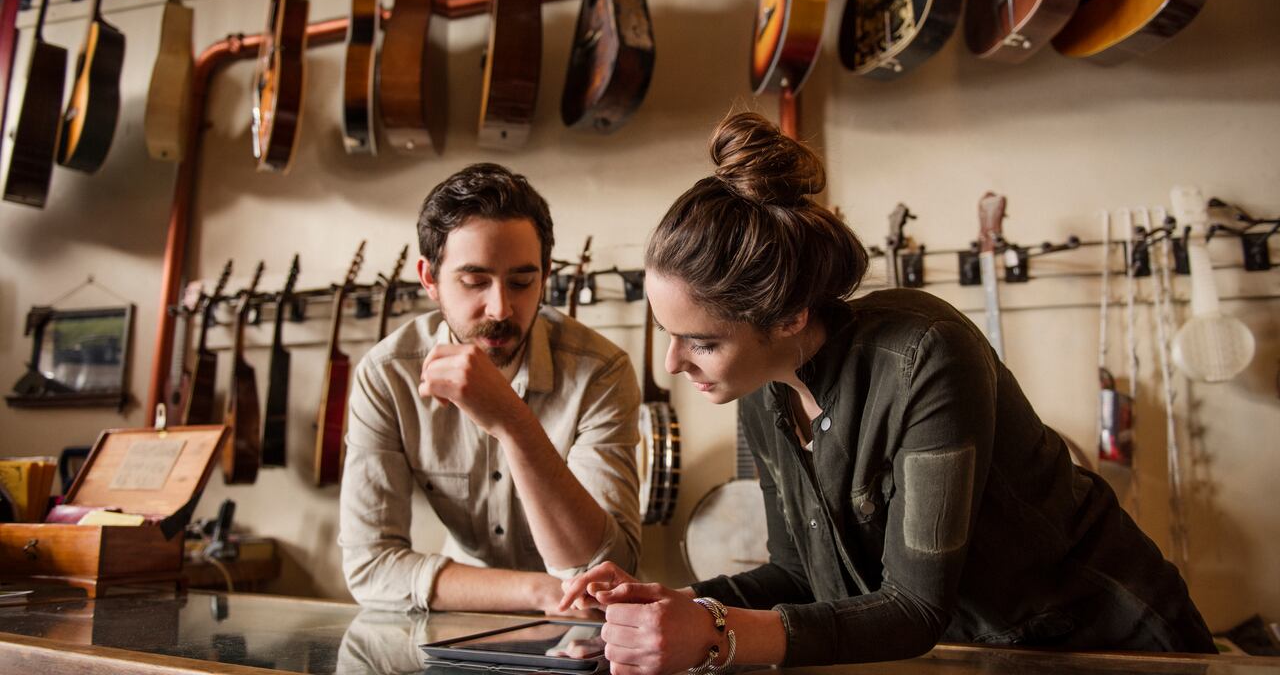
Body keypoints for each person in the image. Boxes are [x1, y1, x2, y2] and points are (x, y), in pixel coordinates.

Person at [559, 113, 1215, 672]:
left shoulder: (926, 355)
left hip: (1106, 645)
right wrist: (664, 605)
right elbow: (798, 577)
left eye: (701, 343)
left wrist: (713, 634)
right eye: (668, 334)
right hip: (978, 654)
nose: (673, 363)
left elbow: (915, 607)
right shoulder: (762, 389)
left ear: (787, 318)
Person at [340, 163, 641, 614]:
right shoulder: (386, 376)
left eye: (522, 282)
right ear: (429, 279)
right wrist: (538, 592)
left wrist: (513, 423)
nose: (500, 308)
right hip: (462, 615)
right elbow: (370, 566)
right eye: (474, 281)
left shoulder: (601, 372)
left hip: (582, 629)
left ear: (545, 274)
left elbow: (606, 571)